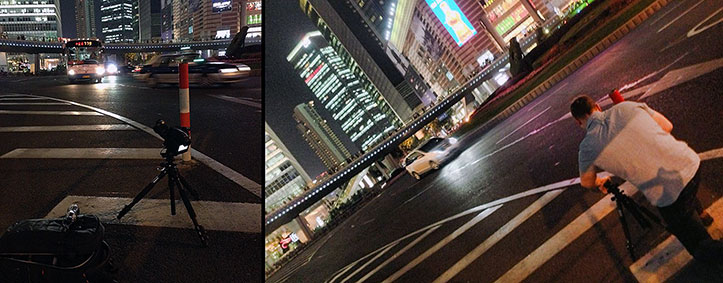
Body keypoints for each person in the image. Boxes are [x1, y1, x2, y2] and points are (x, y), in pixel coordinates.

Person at [571, 95, 722, 263]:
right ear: (597, 107)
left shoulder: (587, 147)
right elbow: (667, 126)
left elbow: (586, 181)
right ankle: (702, 214)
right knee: (683, 192)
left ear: (579, 122)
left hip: (668, 195)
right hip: (690, 164)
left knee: (699, 246)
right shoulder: (627, 106)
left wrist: (600, 182)